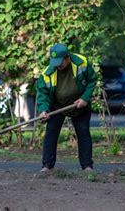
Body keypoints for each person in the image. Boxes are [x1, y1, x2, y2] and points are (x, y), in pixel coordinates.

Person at [36, 43, 97, 172]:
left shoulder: (82, 63)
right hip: (57, 106)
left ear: (67, 57)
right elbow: (42, 94)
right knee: (51, 133)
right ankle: (47, 166)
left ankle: (87, 167)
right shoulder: (47, 73)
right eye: (55, 63)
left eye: (61, 62)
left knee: (83, 132)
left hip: (79, 104)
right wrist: (44, 110)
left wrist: (85, 98)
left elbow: (92, 80)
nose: (58, 65)